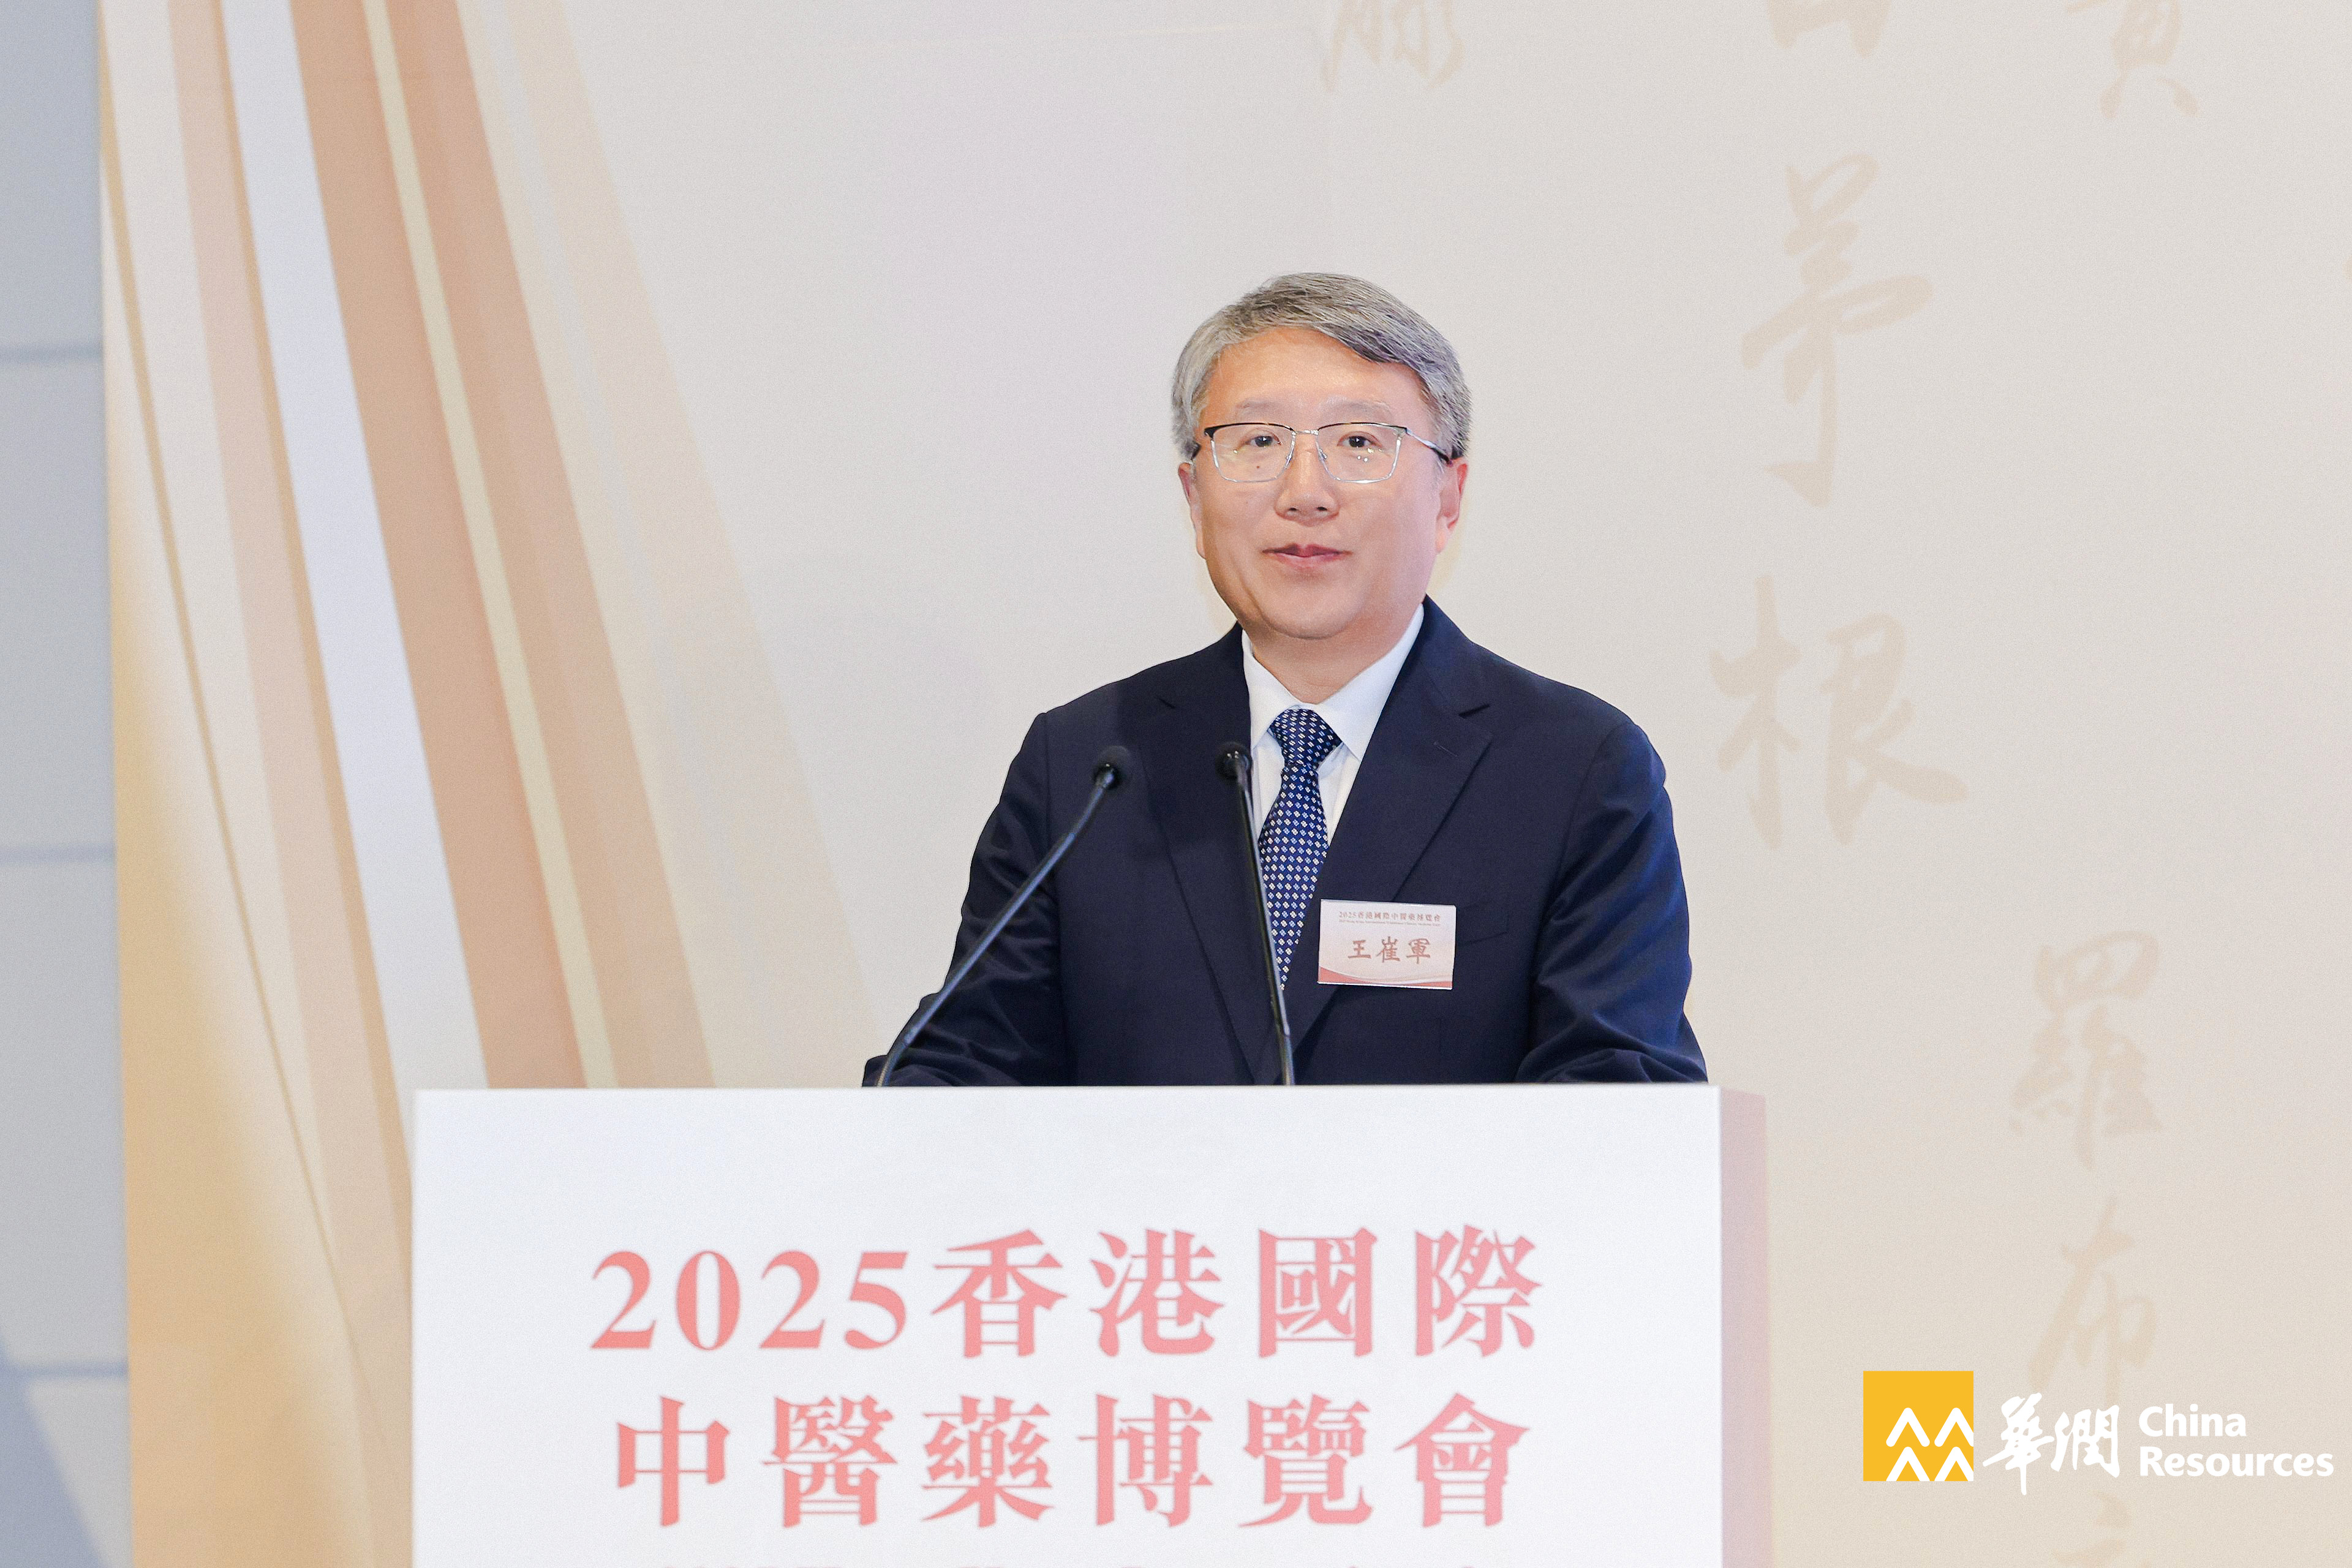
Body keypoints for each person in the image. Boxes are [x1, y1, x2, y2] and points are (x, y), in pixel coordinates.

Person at [866, 273, 1705, 1086]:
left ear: (1448, 497)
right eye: (1259, 442)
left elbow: (1618, 1094)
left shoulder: (1572, 769)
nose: (1305, 493)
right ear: (1194, 497)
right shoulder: (1088, 766)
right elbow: (969, 1064)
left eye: (1359, 443)